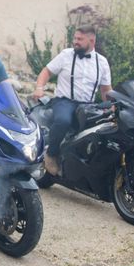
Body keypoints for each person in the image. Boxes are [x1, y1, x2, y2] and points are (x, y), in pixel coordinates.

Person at [33, 25, 112, 175]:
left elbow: (106, 90)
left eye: (79, 39)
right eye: (75, 38)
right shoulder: (66, 55)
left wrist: (112, 106)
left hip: (88, 105)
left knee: (103, 127)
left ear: (92, 40)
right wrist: (39, 88)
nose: (75, 41)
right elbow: (46, 71)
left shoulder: (102, 62)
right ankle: (51, 153)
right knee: (63, 121)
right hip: (64, 101)